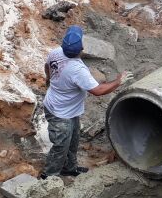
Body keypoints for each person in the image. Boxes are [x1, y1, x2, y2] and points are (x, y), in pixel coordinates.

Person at [42, 25, 129, 178]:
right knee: (61, 145)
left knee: (73, 140)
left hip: (67, 109)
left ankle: (70, 168)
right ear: (81, 48)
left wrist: (49, 79)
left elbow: (47, 66)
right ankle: (49, 177)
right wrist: (118, 82)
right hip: (59, 113)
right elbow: (97, 91)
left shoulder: (55, 52)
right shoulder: (76, 69)